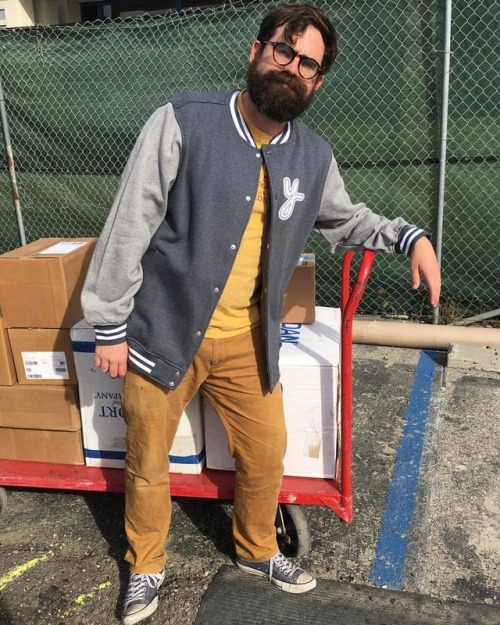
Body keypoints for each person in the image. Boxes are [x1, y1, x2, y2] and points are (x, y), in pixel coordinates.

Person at [82, 3, 441, 624]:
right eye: (284, 51)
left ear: (317, 81)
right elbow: (128, 225)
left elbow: (345, 219)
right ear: (257, 50)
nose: (292, 68)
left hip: (248, 341)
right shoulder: (181, 121)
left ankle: (257, 549)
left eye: (308, 64)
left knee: (267, 454)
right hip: (163, 330)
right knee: (145, 461)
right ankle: (145, 565)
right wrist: (108, 323)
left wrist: (409, 237)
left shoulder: (313, 155)